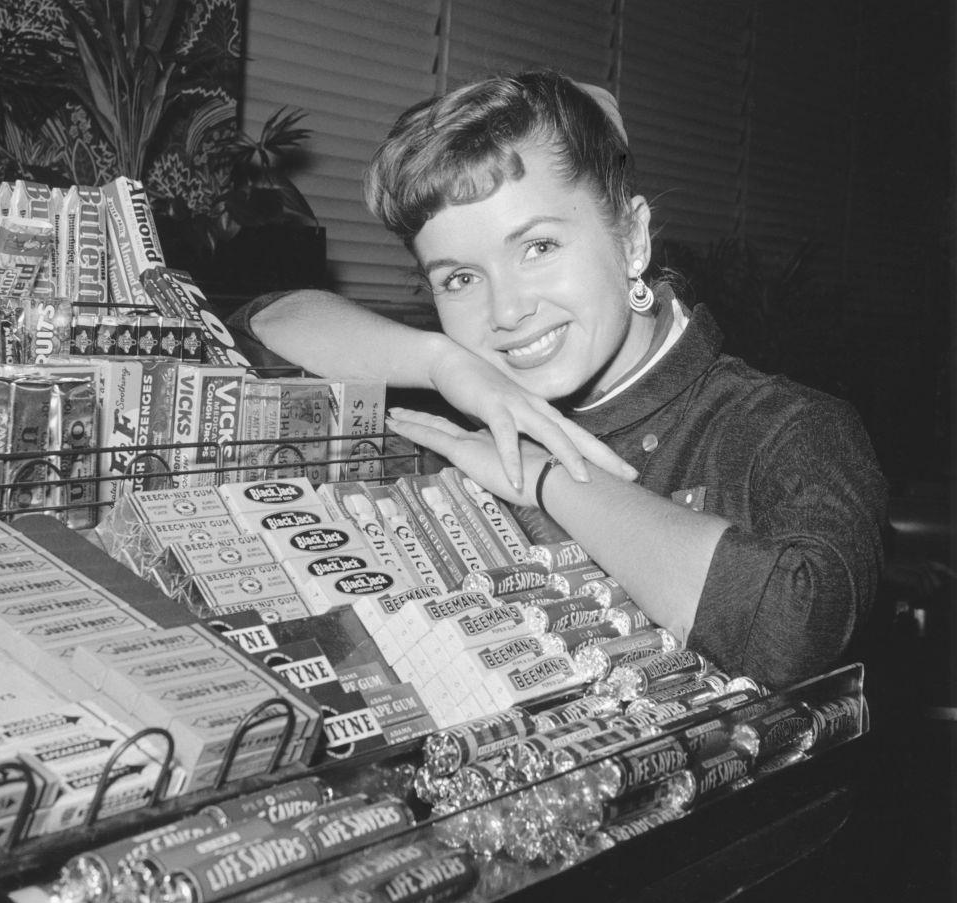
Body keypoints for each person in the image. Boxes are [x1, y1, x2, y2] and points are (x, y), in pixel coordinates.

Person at [228, 69, 888, 691]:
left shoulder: (785, 430)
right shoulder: (466, 405)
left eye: (537, 247)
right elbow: (256, 322)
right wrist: (442, 363)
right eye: (459, 278)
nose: (507, 311)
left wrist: (542, 477)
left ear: (631, 240)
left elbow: (791, 633)